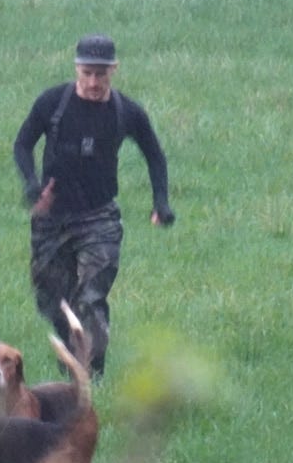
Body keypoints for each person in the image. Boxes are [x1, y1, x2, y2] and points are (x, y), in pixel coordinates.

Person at [13, 33, 175, 378]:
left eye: (101, 74)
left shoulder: (125, 112)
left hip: (99, 218)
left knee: (91, 298)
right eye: (87, 73)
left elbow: (155, 156)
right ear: (76, 69)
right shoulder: (52, 103)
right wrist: (32, 186)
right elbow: (22, 145)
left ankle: (91, 374)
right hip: (50, 221)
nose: (93, 82)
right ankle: (71, 350)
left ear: (113, 70)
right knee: (51, 300)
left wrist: (161, 202)